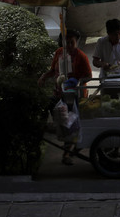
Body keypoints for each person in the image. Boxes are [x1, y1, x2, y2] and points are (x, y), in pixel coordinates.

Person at [38, 29, 92, 165]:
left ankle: (67, 154)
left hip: (74, 97)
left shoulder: (81, 56)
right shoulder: (58, 53)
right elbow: (52, 70)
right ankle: (66, 142)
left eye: (71, 43)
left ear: (77, 42)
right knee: (61, 121)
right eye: (66, 43)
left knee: (70, 124)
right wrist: (44, 76)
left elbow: (88, 76)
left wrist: (77, 82)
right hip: (58, 94)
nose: (68, 45)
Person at [93, 19, 120, 97]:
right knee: (107, 103)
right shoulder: (101, 42)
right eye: (114, 34)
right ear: (108, 34)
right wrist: (103, 64)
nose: (118, 37)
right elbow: (95, 61)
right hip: (105, 79)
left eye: (119, 33)